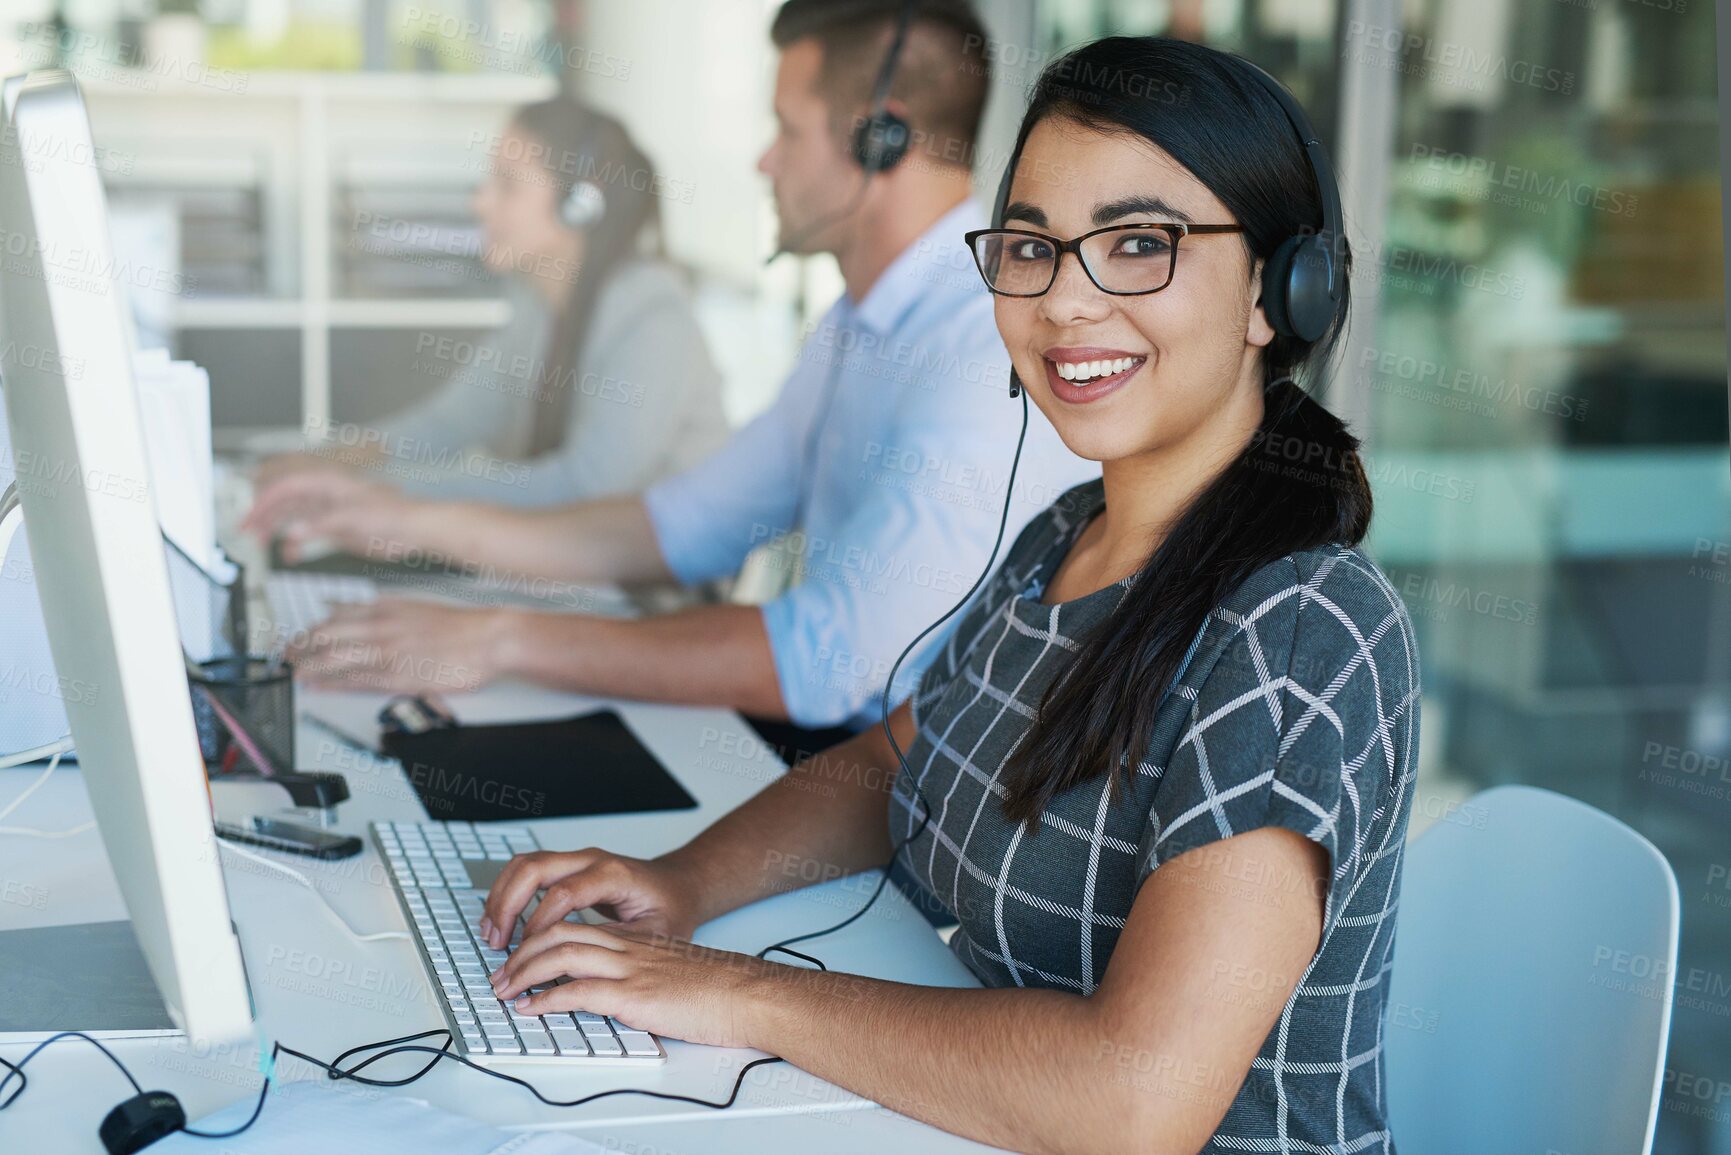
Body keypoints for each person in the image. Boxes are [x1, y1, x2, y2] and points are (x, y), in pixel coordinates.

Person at [471, 36, 1421, 1155]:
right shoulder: (1066, 537)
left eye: (1136, 245)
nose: (1066, 302)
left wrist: (737, 994)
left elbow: (1130, 1104)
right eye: (1032, 247)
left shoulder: (1298, 630)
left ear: (1277, 292)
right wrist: (678, 885)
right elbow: (891, 765)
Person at [244, 0, 1094, 759]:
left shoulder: (980, 345)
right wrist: (400, 516)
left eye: (786, 129)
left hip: (902, 805)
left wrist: (498, 637)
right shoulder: (857, 328)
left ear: (883, 137)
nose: (765, 162)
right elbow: (684, 526)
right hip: (828, 758)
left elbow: (829, 661)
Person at [258, 99, 727, 506]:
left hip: (657, 598)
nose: (480, 203)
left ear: (578, 206)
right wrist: (319, 464)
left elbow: (582, 488)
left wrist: (375, 492)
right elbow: (445, 426)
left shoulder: (654, 320)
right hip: (581, 574)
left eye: (507, 185)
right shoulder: (537, 309)